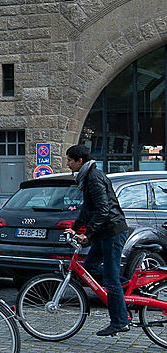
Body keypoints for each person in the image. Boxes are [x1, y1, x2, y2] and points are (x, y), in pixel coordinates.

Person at [64, 144, 130, 336]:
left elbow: (103, 210)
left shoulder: (93, 178)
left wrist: (87, 234)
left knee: (110, 279)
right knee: (90, 267)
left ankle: (119, 321)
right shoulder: (87, 176)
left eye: (69, 160)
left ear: (80, 161)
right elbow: (87, 209)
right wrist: (74, 228)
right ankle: (125, 287)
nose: (67, 164)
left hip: (112, 231)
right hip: (105, 232)